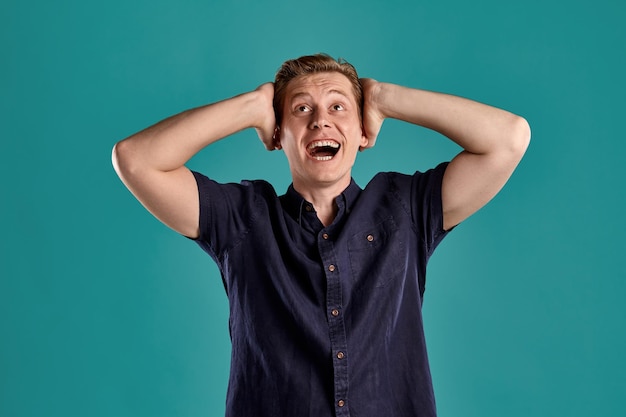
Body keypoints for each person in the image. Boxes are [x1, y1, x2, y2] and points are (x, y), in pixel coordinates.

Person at [112, 53, 530, 417]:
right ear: (278, 134)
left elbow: (509, 139)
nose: (321, 120)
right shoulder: (242, 219)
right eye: (301, 109)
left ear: (363, 132)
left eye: (338, 107)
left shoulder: (406, 209)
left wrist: (384, 98)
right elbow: (135, 159)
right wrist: (251, 106)